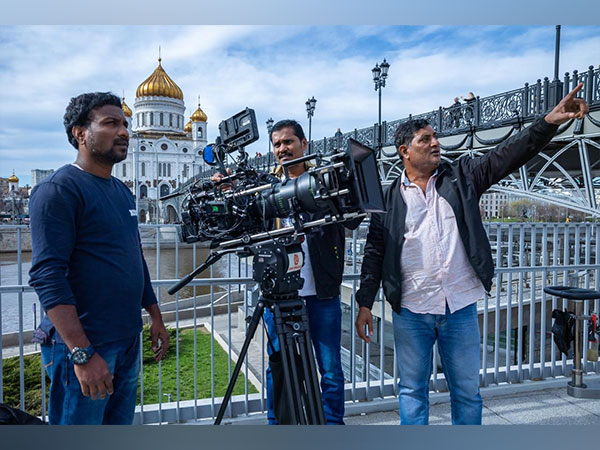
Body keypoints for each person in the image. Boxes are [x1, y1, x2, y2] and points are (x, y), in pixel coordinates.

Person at [354, 83, 589, 425]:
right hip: (411, 309)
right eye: (425, 139)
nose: (435, 143)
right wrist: (364, 303)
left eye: (435, 137)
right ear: (405, 150)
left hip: (459, 307)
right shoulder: (386, 200)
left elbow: (509, 154)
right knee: (412, 392)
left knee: (466, 392)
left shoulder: (463, 176)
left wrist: (548, 122)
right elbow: (374, 252)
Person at [29, 92, 170, 425]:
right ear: (80, 133)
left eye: (125, 123)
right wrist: (81, 353)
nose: (124, 131)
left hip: (125, 340)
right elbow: (48, 275)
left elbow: (133, 257)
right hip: (84, 346)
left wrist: (155, 315)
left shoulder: (120, 191)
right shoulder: (59, 189)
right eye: (110, 123)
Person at [213, 119, 359, 424]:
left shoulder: (324, 180)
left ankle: (332, 425)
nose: (282, 149)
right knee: (278, 365)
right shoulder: (266, 188)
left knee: (330, 368)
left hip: (322, 293)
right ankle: (278, 425)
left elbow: (353, 220)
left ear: (304, 144)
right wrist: (229, 194)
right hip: (278, 295)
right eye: (277, 144)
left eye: (288, 142)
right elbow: (241, 227)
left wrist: (339, 186)